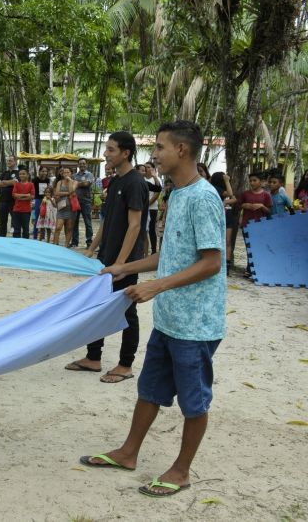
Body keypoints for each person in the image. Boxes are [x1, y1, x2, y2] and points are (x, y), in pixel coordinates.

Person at [80, 120, 226, 499]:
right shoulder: (175, 195)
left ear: (182, 150)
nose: (155, 154)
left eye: (160, 147)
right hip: (170, 319)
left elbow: (212, 262)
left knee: (193, 399)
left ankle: (181, 469)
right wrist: (125, 269)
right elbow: (172, 255)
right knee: (149, 389)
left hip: (196, 325)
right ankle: (129, 452)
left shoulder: (204, 198)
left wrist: (157, 286)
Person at [66, 131, 148, 383]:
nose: (105, 154)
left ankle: (125, 365)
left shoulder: (135, 183)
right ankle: (93, 358)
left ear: (126, 153)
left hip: (124, 262)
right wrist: (92, 250)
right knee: (96, 306)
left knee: (126, 311)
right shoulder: (114, 183)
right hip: (106, 259)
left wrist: (121, 264)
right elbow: (106, 221)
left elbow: (135, 226)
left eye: (111, 149)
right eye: (106, 148)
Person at [239, 172, 272, 278]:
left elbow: (269, 211)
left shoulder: (266, 195)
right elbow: (239, 205)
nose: (252, 182)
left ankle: (256, 270)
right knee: (249, 247)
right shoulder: (245, 194)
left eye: (254, 180)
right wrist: (245, 205)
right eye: (251, 180)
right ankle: (249, 269)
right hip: (247, 224)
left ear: (261, 181)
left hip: (260, 225)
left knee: (258, 247)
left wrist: (261, 206)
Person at [209, 172, 237, 271]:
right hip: (220, 217)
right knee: (224, 242)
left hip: (227, 216)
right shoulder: (216, 189)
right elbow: (230, 195)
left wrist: (225, 202)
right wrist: (227, 180)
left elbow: (233, 198)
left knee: (227, 241)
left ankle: (227, 264)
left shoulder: (222, 190)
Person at [71, 158, 95, 248]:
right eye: (80, 163)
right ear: (78, 165)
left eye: (84, 163)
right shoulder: (74, 176)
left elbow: (87, 184)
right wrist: (81, 183)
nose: (82, 165)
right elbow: (74, 185)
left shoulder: (90, 174)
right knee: (75, 223)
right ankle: (74, 242)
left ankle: (89, 242)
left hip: (86, 202)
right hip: (76, 202)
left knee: (88, 223)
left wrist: (76, 184)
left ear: (86, 165)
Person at [52, 167, 76, 246]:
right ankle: (55, 244)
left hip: (71, 208)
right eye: (64, 172)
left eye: (67, 172)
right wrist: (68, 193)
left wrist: (69, 181)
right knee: (58, 227)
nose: (65, 174)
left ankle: (66, 245)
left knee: (69, 228)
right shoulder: (59, 182)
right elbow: (57, 193)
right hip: (61, 208)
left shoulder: (75, 182)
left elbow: (72, 190)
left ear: (71, 173)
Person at [0, 156, 19, 237]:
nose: (8, 162)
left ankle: (15, 239)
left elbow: (15, 183)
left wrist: (3, 182)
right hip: (3, 201)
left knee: (14, 222)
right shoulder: (4, 173)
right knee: (2, 222)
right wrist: (9, 182)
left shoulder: (18, 172)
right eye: (8, 161)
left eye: (10, 160)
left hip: (13, 201)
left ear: (15, 162)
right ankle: (2, 239)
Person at [11, 167, 35, 238]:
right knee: (16, 230)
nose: (21, 175)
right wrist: (26, 195)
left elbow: (32, 196)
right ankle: (16, 244)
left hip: (26, 210)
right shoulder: (17, 184)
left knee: (25, 229)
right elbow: (14, 195)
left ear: (28, 175)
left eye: (23, 174)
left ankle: (25, 245)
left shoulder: (31, 184)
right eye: (20, 174)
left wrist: (20, 196)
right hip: (16, 210)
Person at [144, 164, 162, 254]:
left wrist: (147, 204)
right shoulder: (142, 179)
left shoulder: (156, 179)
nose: (146, 168)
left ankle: (154, 250)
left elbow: (157, 193)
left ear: (153, 169)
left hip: (152, 208)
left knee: (151, 230)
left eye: (148, 167)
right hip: (142, 208)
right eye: (145, 167)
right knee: (143, 231)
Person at [32, 166, 51, 239]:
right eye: (42, 171)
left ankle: (42, 236)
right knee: (37, 218)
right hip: (37, 200)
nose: (44, 173)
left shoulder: (48, 180)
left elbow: (49, 190)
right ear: (39, 172)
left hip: (46, 200)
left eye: (45, 171)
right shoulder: (35, 180)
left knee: (45, 218)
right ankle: (35, 236)